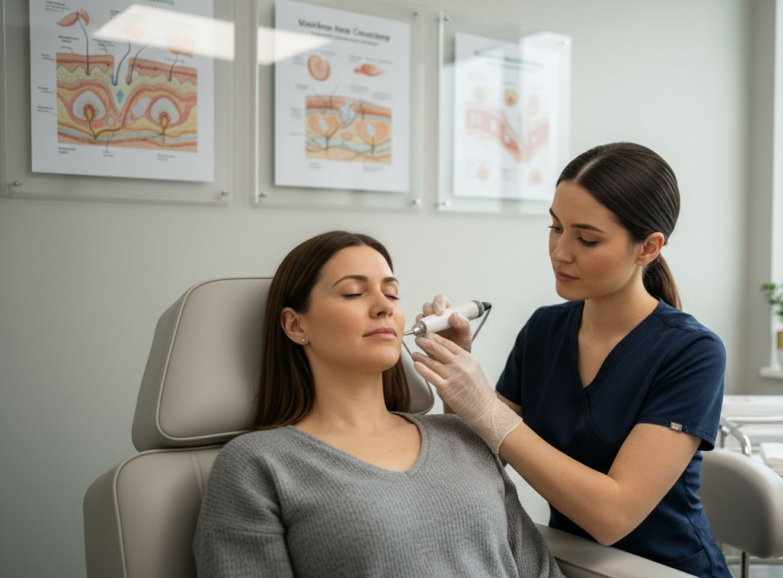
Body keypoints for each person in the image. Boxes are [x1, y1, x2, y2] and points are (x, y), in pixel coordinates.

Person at [412, 143, 730, 577]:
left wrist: (488, 409)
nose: (560, 251)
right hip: (571, 564)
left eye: (586, 238)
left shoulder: (692, 353)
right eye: (555, 227)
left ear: (648, 248)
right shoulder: (545, 330)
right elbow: (481, 457)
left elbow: (612, 516)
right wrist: (458, 368)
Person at [193, 231, 564, 578]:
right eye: (354, 293)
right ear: (295, 325)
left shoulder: (460, 436)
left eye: (392, 293)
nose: (384, 307)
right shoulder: (258, 463)